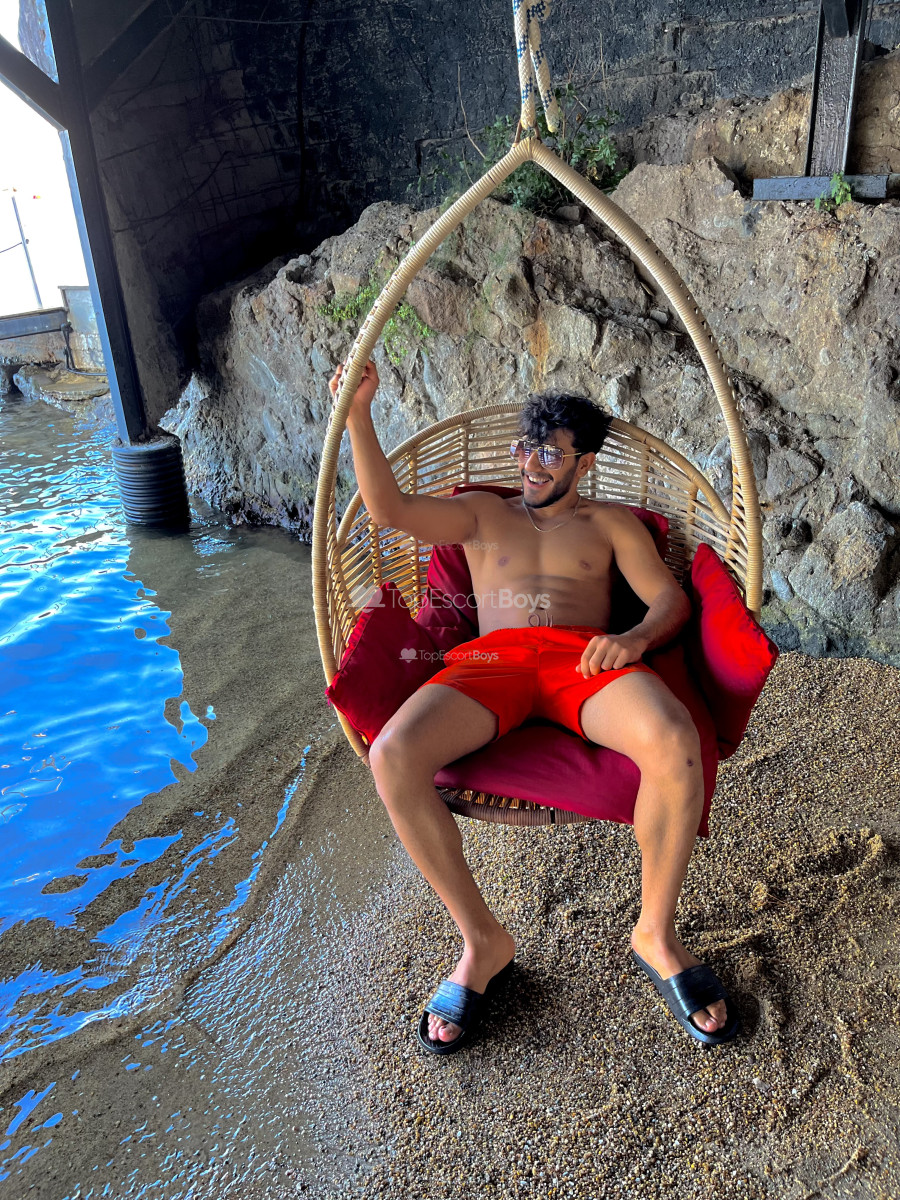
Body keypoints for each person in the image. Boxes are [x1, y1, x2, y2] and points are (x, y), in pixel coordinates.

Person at [330, 359, 738, 1054]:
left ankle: (656, 934)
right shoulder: (483, 513)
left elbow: (669, 600)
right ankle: (481, 941)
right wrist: (359, 414)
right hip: (494, 662)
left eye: (550, 452)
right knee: (393, 753)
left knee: (674, 738)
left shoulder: (611, 523)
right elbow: (389, 511)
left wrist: (634, 639)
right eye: (526, 448)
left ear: (585, 461)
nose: (531, 464)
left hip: (583, 658)